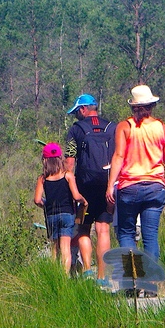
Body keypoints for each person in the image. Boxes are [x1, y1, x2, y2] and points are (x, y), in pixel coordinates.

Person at [106, 84, 165, 263]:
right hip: (155, 187)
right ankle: (151, 284)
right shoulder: (162, 128)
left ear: (133, 106)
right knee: (150, 237)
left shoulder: (124, 127)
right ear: (151, 106)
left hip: (129, 187)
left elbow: (119, 156)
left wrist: (110, 185)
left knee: (126, 234)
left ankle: (131, 283)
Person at [64, 94, 116, 282]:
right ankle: (102, 275)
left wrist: (69, 187)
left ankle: (87, 269)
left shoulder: (76, 129)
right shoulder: (112, 127)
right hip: (107, 184)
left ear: (84, 109)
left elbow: (70, 161)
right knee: (103, 228)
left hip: (85, 185)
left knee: (84, 228)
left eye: (77, 111)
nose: (77, 115)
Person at [33, 142, 86, 275]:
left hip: (51, 215)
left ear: (44, 160)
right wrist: (84, 200)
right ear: (60, 158)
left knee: (54, 249)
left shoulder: (42, 178)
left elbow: (37, 200)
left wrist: (46, 204)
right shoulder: (67, 175)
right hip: (67, 214)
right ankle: (64, 277)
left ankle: (54, 276)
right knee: (65, 248)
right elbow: (75, 196)